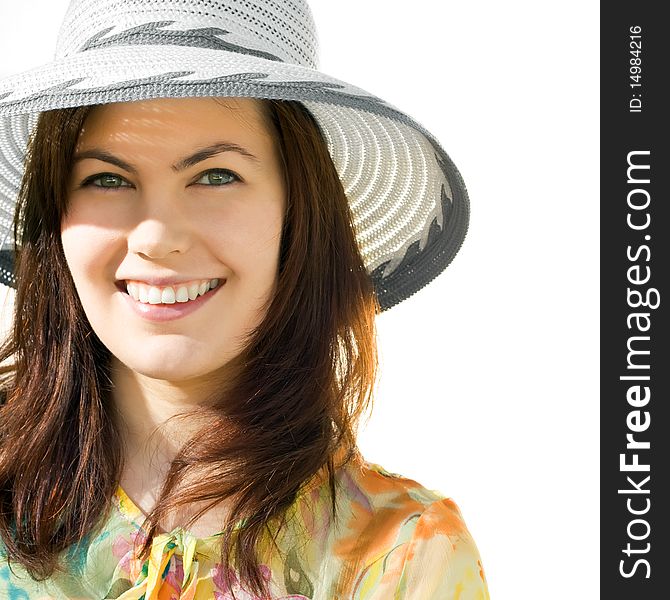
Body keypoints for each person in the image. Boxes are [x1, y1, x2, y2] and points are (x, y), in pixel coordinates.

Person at [0, 0, 490, 598]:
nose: (157, 237)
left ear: (299, 211)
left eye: (214, 176)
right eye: (107, 179)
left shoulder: (400, 556)